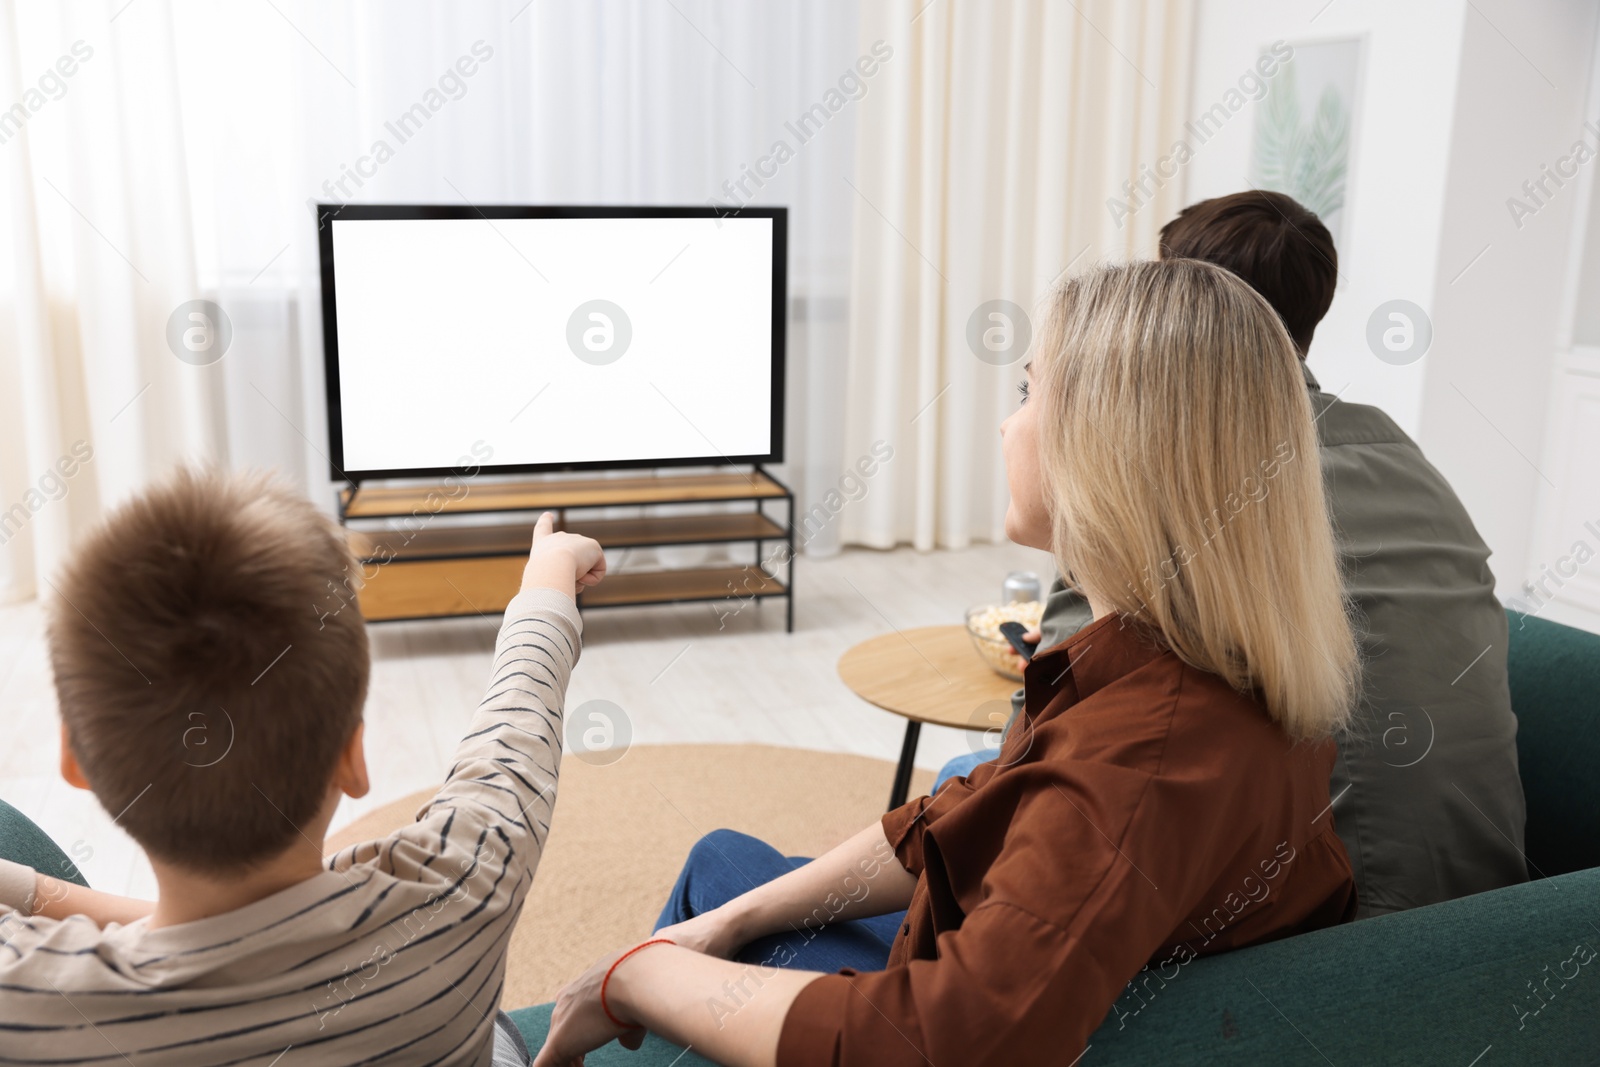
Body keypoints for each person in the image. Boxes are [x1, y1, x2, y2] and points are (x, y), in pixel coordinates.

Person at [533, 259, 1362, 1067]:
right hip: (1017, 957)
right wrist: (728, 927)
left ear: (1112, 446)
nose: (1007, 423)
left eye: (1029, 392)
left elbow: (948, 1041)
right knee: (723, 877)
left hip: (940, 1010)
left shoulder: (1143, 756)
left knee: (678, 936)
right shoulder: (1190, 661)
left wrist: (635, 978)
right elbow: (949, 820)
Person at [944, 191, 1529, 916]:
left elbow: (1033, 754)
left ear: (1178, 322)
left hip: (1333, 930)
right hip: (1500, 907)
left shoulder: (1178, 472)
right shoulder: (1394, 446)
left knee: (961, 780)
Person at [0, 469, 605, 1065]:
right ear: (353, 758)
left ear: (75, 764)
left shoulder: (30, 999)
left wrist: (28, 891)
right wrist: (549, 573)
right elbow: (515, 728)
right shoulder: (464, 881)